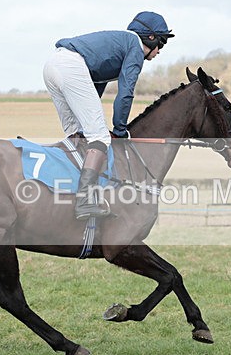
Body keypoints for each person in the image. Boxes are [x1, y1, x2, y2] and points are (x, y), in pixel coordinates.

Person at [43, 11, 174, 219]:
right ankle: (85, 201)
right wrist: (120, 130)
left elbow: (96, 85)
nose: (159, 52)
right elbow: (126, 92)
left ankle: (65, 193)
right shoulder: (134, 46)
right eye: (162, 44)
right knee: (100, 137)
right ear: (151, 38)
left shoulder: (119, 44)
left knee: (79, 136)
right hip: (70, 67)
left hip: (53, 66)